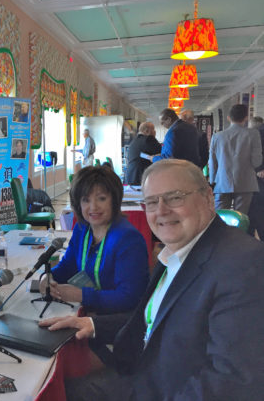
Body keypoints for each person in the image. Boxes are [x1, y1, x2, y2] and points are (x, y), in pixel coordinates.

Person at [40, 159, 264, 400]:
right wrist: (92, 325)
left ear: (208, 197)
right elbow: (155, 320)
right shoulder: (175, 254)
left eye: (175, 197)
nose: (162, 211)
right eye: (151, 202)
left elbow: (233, 381)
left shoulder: (242, 262)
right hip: (140, 374)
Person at [39, 166, 148, 315]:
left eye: (101, 198)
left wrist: (81, 295)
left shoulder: (128, 239)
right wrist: (48, 277)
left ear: (114, 200)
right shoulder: (82, 229)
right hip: (85, 313)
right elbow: (68, 266)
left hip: (113, 323)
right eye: (86, 200)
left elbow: (130, 298)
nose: (93, 207)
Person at [209, 104, 262, 214]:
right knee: (241, 217)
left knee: (220, 216)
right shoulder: (253, 134)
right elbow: (256, 162)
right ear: (246, 117)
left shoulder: (217, 136)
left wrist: (213, 181)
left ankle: (222, 232)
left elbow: (212, 162)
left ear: (228, 118)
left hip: (222, 182)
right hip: (246, 183)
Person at [247, 116, 264, 239]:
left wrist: (259, 169)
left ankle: (252, 235)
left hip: (258, 177)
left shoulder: (258, 133)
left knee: (256, 207)